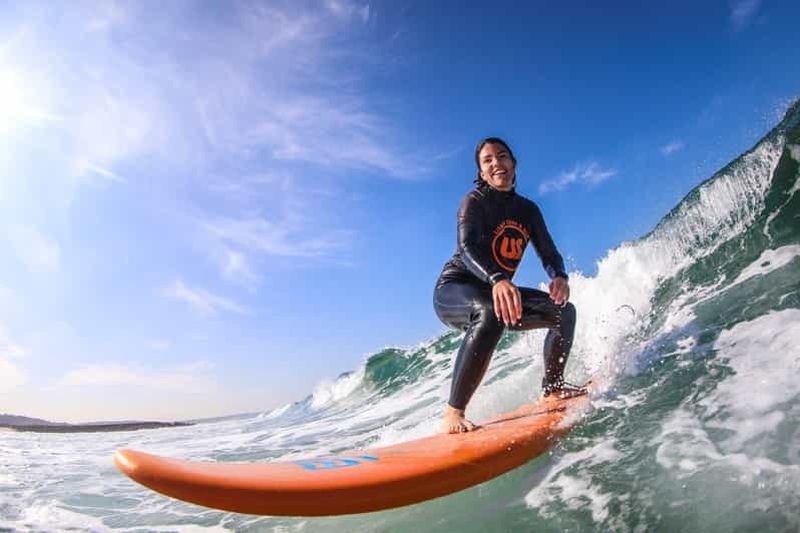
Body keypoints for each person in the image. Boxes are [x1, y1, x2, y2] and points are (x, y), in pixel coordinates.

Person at [433, 137, 585, 434]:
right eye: (487, 160)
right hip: (455, 287)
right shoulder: (474, 202)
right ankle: (453, 412)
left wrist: (559, 275)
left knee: (563, 312)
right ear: (482, 171)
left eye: (501, 156)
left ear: (513, 164)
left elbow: (549, 251)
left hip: (495, 291)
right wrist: (498, 278)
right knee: (489, 311)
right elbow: (466, 248)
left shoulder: (528, 210)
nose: (495, 163)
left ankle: (552, 388)